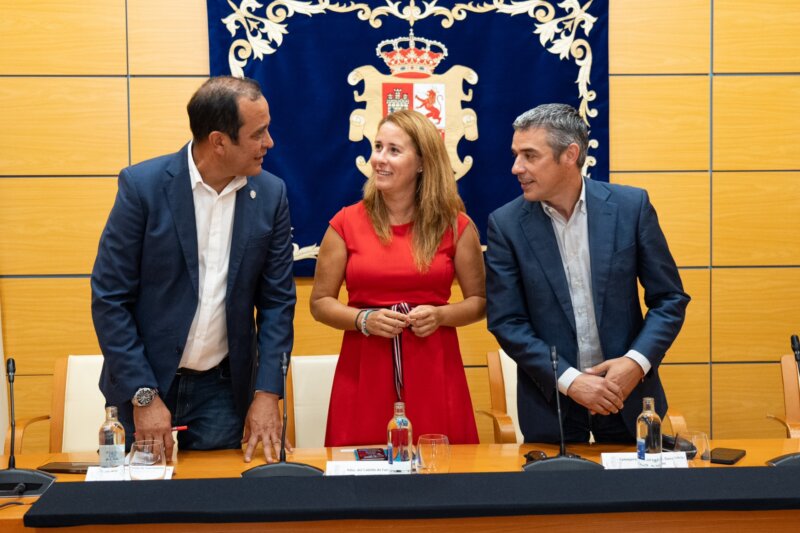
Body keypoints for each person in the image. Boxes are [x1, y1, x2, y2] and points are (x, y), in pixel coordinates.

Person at [91, 76, 296, 463]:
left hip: (222, 391)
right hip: (144, 384)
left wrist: (268, 391)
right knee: (138, 496)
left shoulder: (271, 195)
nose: (269, 143)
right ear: (219, 142)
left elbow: (277, 303)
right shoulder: (142, 187)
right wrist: (144, 395)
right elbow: (109, 299)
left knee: (218, 495)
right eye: (258, 133)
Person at [485, 103, 690, 443]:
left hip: (628, 400)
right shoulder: (505, 225)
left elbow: (669, 299)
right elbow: (507, 321)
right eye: (516, 155)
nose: (516, 167)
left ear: (570, 154)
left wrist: (635, 363)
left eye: (530, 155)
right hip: (553, 409)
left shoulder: (630, 207)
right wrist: (571, 381)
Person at [310, 110, 484, 446]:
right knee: (361, 472)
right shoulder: (344, 223)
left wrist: (441, 315)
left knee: (442, 472)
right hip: (364, 371)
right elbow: (320, 303)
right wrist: (363, 319)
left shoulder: (456, 225)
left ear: (422, 163)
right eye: (378, 147)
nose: (379, 159)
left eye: (393, 150)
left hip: (435, 370)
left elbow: (480, 302)